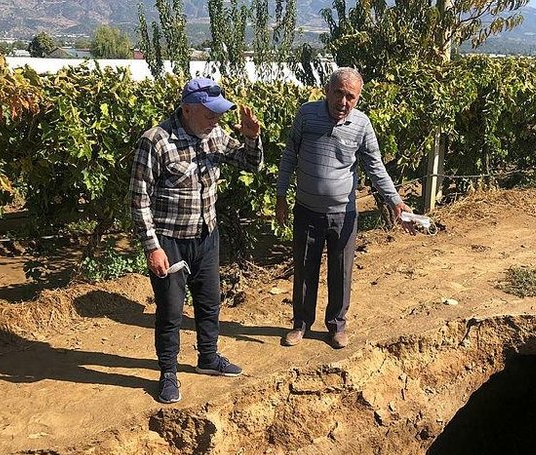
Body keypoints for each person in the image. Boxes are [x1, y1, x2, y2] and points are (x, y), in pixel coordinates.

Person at [129, 77, 262, 403]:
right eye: (209, 113)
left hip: (206, 235)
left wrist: (251, 138)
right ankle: (169, 372)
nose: (216, 119)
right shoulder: (156, 141)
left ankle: (208, 358)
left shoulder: (214, 134)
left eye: (218, 113)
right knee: (171, 310)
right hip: (170, 240)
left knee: (209, 302)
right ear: (187, 109)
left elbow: (250, 164)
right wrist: (152, 246)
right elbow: (138, 198)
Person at [276, 67, 413, 350]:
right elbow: (290, 152)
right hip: (306, 209)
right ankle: (300, 324)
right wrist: (280, 195)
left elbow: (375, 167)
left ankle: (337, 326)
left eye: (350, 96)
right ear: (327, 90)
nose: (343, 102)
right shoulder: (306, 114)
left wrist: (396, 202)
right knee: (304, 269)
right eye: (338, 93)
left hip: (343, 213)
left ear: (358, 99)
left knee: (341, 271)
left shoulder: (362, 125)